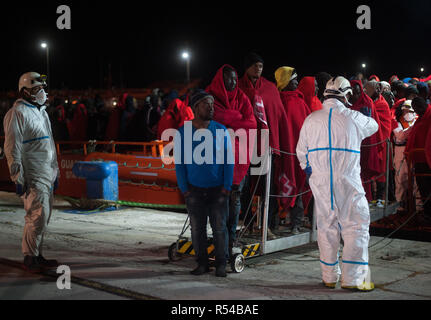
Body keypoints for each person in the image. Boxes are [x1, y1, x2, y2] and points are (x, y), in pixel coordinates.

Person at [296, 76, 378, 291]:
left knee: (326, 226)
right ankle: (354, 280)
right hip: (347, 180)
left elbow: (301, 152)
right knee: (356, 226)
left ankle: (329, 276)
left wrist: (311, 171)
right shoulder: (354, 117)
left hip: (320, 181)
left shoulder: (310, 119)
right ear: (347, 95)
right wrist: (365, 113)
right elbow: (374, 126)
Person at [3, 72, 59, 272]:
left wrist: (55, 171)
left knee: (44, 216)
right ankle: (30, 258)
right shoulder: (17, 113)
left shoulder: (41, 112)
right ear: (25, 92)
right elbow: (12, 148)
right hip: (32, 174)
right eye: (37, 89)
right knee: (36, 215)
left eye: (42, 88)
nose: (42, 92)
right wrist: (17, 176)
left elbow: (49, 144)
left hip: (46, 173)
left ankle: (37, 255)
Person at [174, 90, 234, 277]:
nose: (211, 107)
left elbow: (228, 160)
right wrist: (184, 189)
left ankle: (221, 264)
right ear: (195, 107)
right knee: (197, 229)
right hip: (194, 190)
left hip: (217, 190)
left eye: (212, 104)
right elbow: (180, 163)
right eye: (206, 104)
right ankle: (202, 264)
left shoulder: (221, 130)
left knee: (219, 228)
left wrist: (226, 186)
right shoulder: (183, 132)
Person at [206, 64, 257, 257]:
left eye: (235, 78)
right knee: (217, 199)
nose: (233, 82)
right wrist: (236, 118)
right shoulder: (209, 97)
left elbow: (251, 122)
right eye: (229, 78)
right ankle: (219, 236)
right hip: (214, 160)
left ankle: (231, 235)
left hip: (238, 160)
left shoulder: (241, 98)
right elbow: (212, 120)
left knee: (235, 200)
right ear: (221, 79)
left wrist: (228, 120)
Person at [238, 52, 289, 238]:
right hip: (244, 144)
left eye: (260, 66)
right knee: (243, 188)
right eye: (254, 65)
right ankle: (246, 223)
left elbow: (278, 116)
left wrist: (277, 142)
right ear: (247, 67)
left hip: (265, 144)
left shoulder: (269, 88)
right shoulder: (238, 87)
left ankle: (266, 225)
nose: (258, 69)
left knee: (266, 187)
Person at [275, 67, 312, 234]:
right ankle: (275, 223)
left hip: (300, 154)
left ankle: (296, 222)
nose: (296, 82)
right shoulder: (280, 101)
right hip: (284, 154)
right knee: (282, 185)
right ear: (285, 81)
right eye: (293, 79)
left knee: (299, 185)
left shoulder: (300, 101)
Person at [349, 80, 383, 203]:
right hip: (351, 144)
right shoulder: (346, 104)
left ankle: (365, 200)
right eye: (353, 93)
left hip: (366, 144)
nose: (355, 96)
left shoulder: (367, 103)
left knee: (364, 173)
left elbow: (373, 126)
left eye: (358, 93)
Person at [364, 79, 394, 207]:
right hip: (370, 142)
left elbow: (385, 125)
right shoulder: (368, 102)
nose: (378, 90)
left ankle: (381, 197)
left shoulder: (382, 104)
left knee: (382, 170)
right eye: (375, 88)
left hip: (382, 142)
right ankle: (371, 197)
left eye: (378, 88)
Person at [406, 97, 431, 218]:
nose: (416, 112)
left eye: (417, 109)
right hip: (419, 158)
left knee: (428, 187)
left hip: (428, 159)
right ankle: (427, 212)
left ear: (423, 105)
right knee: (422, 187)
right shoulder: (421, 117)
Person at [392, 100, 417, 212]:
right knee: (401, 179)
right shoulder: (396, 122)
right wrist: (413, 129)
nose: (408, 113)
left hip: (413, 152)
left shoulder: (416, 122)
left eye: (411, 111)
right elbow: (401, 135)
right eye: (406, 110)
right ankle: (399, 205)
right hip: (400, 152)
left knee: (416, 181)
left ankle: (418, 207)